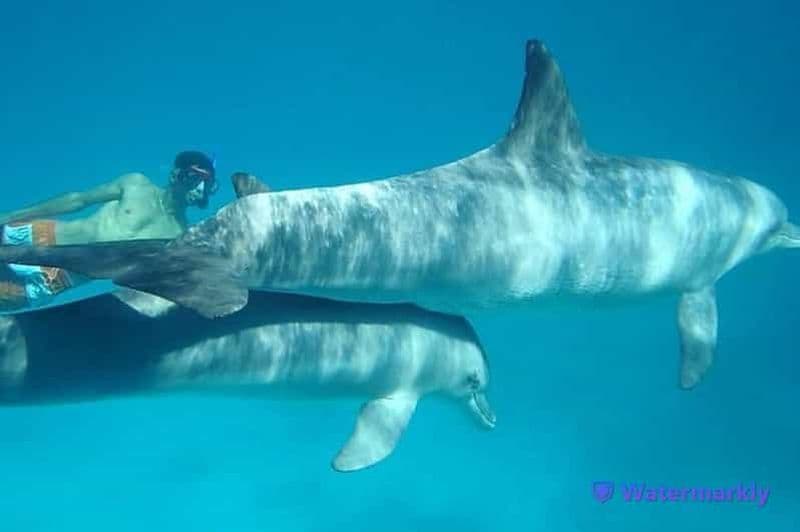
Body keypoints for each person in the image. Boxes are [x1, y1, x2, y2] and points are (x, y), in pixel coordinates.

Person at [0, 150, 218, 311]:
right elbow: (77, 200)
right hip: (39, 237)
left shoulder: (179, 236)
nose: (199, 189)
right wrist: (10, 216)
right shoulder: (136, 184)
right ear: (176, 175)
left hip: (54, 279)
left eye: (206, 185)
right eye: (195, 178)